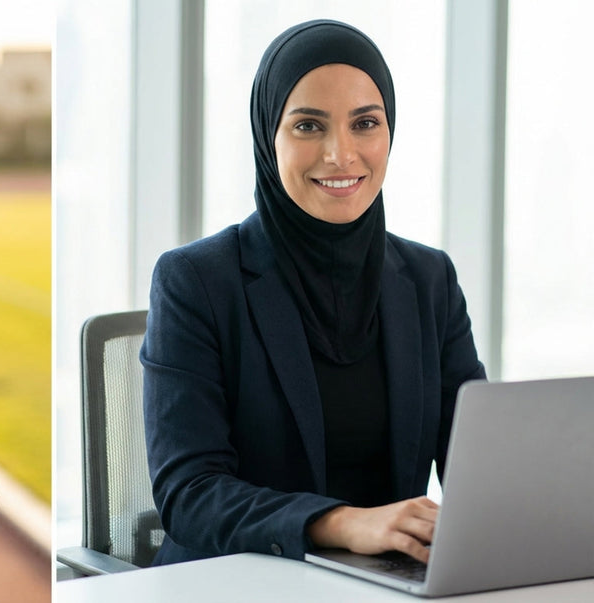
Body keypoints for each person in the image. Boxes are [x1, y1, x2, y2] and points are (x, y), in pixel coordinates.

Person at [141, 19, 485, 567]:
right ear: (267, 136)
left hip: (382, 583)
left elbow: (478, 469)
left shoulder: (429, 280)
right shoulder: (196, 282)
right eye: (308, 126)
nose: (341, 154)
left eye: (365, 123)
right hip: (232, 584)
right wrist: (343, 524)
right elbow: (189, 494)